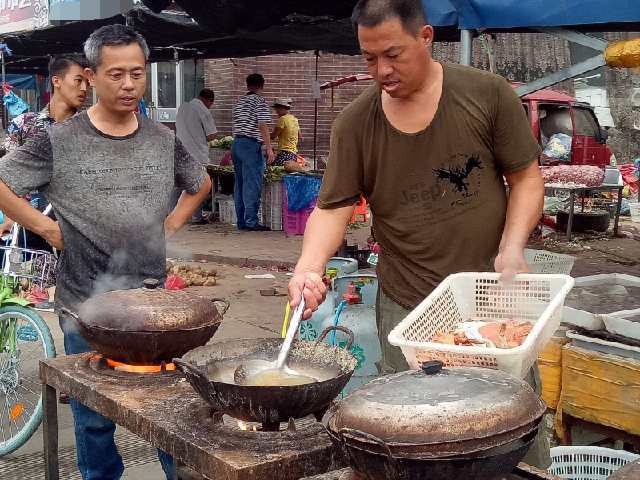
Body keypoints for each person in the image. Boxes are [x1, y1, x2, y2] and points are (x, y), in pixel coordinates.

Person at [287, 0, 547, 468]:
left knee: (511, 428)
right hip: (408, 307)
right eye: (369, 59)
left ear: (425, 37)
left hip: (491, 297)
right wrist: (308, 268)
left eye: (393, 54)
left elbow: (526, 177)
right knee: (415, 434)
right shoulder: (355, 124)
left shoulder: (486, 94)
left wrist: (511, 248)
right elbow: (333, 207)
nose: (381, 70)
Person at [0, 24, 211, 480]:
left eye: (137, 73)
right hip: (84, 307)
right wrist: (45, 227)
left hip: (154, 310)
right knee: (94, 421)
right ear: (91, 76)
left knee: (171, 412)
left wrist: (169, 226)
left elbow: (200, 183)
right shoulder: (58, 138)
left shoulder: (161, 138)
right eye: (116, 74)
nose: (129, 84)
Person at [4, 55, 89, 254]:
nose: (84, 88)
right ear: (56, 81)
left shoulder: (90, 129)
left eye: (87, 81)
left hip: (76, 231)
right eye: (78, 80)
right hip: (28, 226)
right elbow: (6, 181)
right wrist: (9, 217)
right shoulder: (24, 124)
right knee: (31, 284)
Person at [231, 73, 274, 231]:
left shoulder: (239, 102)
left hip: (236, 144)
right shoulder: (259, 101)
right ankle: (251, 221)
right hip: (250, 145)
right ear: (261, 86)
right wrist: (269, 147)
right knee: (252, 184)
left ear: (247, 85)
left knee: (240, 184)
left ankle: (241, 221)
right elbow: (262, 124)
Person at [175, 88, 217, 224]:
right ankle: (196, 217)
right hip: (197, 154)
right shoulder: (203, 110)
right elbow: (212, 135)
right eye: (211, 104)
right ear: (208, 101)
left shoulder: (183, 107)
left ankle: (172, 214)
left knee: (178, 186)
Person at [270, 97, 303, 172]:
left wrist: (263, 135)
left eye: (277, 109)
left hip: (284, 154)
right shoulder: (295, 119)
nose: (276, 111)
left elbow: (273, 136)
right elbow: (300, 136)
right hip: (293, 155)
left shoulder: (282, 119)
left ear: (282, 108)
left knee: (276, 173)